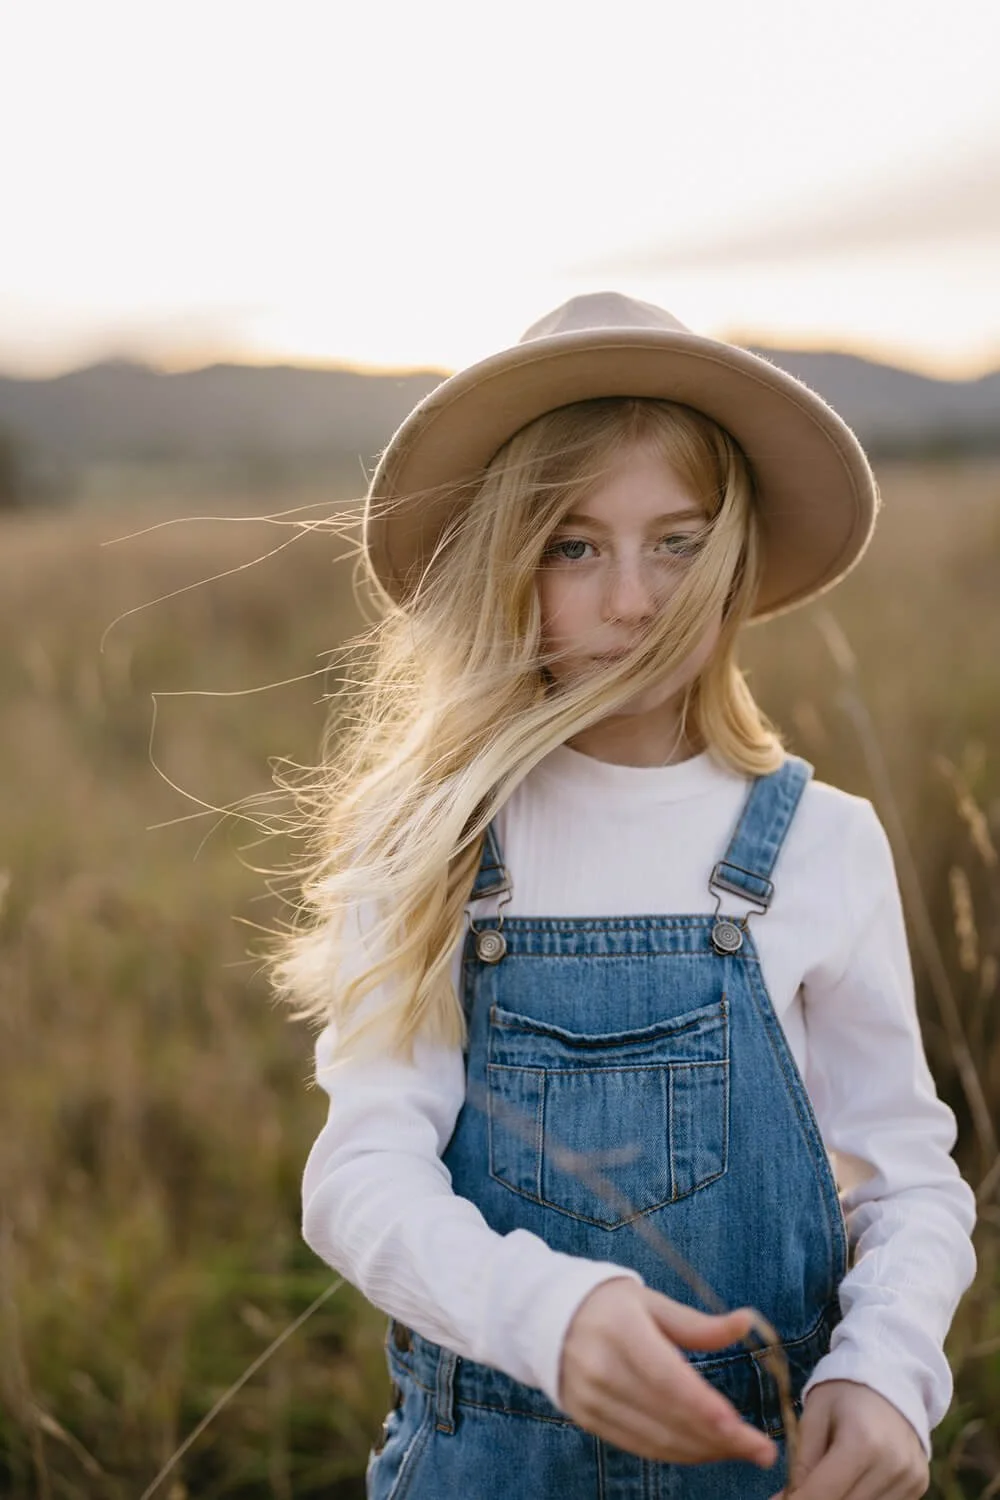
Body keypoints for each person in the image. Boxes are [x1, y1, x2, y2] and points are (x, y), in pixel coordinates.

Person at [270, 293, 977, 1499]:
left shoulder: (819, 840)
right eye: (573, 545)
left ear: (735, 557)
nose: (634, 602)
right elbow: (358, 1181)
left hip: (767, 1462)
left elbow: (904, 1170)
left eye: (678, 541)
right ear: (506, 566)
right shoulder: (435, 840)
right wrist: (545, 1313)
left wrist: (886, 1369)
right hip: (483, 1465)